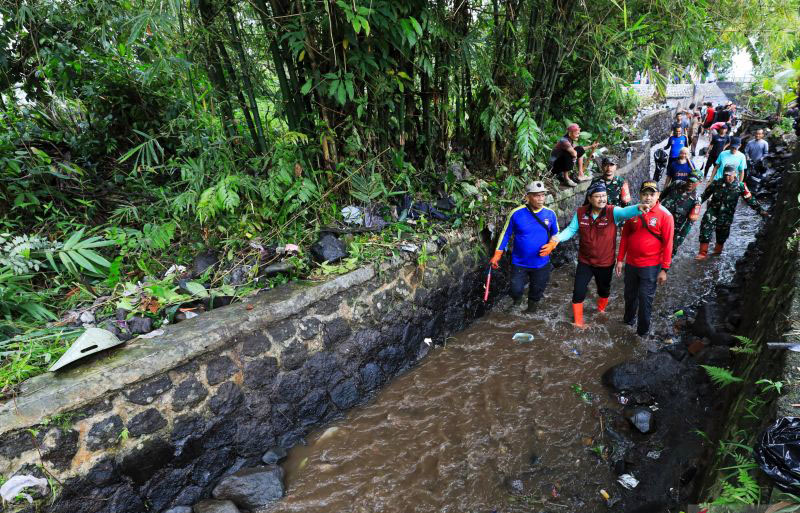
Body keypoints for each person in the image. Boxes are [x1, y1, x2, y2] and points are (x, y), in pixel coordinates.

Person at [540, 182, 645, 327]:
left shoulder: (612, 212)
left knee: (603, 290)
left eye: (604, 196)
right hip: (585, 261)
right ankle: (578, 323)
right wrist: (556, 239)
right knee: (578, 291)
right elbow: (571, 230)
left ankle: (601, 309)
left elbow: (625, 212)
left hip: (605, 262)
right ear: (589, 198)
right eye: (598, 196)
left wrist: (638, 208)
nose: (602, 199)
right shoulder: (581, 212)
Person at [616, 181, 674, 337]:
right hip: (631, 263)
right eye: (645, 194)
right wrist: (620, 259)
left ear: (658, 196)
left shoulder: (665, 215)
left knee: (645, 299)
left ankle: (642, 333)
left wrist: (664, 269)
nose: (648, 197)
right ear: (640, 195)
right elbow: (625, 236)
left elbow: (669, 244)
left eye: (651, 194)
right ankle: (628, 323)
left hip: (651, 265)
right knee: (629, 295)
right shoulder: (633, 211)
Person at [490, 181, 559, 313]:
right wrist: (497, 254)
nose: (541, 199)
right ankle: (517, 303)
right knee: (515, 289)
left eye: (543, 195)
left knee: (536, 292)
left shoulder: (550, 214)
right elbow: (505, 233)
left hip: (541, 263)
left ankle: (530, 312)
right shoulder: (516, 213)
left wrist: (552, 244)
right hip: (519, 262)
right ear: (527, 196)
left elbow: (556, 234)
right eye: (536, 196)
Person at [695, 165, 768, 259]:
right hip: (712, 211)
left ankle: (716, 253)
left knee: (722, 235)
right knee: (705, 229)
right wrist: (696, 204)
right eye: (725, 175)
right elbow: (704, 195)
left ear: (735, 174)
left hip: (726, 214)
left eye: (729, 175)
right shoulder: (716, 183)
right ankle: (702, 253)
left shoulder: (740, 186)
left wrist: (761, 210)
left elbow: (750, 200)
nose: (727, 177)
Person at [660, 172, 702, 254]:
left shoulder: (696, 200)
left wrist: (680, 238)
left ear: (699, 182)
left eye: (693, 182)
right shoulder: (676, 184)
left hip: (673, 229)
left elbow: (689, 223)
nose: (690, 183)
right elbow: (661, 196)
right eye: (689, 180)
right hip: (659, 220)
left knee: (669, 251)